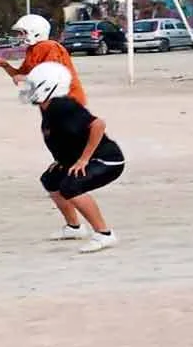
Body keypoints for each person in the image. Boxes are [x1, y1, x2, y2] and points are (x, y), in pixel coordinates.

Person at [0, 14, 99, 239]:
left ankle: (99, 230)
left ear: (36, 31)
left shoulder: (50, 47)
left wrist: (25, 79)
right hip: (50, 108)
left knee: (64, 177)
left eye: (23, 32)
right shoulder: (33, 51)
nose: (21, 37)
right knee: (52, 177)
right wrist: (6, 67)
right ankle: (74, 227)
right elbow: (21, 76)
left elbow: (50, 75)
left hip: (66, 103)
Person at [24, 62, 124, 254]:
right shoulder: (46, 106)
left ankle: (105, 234)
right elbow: (61, 137)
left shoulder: (63, 106)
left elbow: (98, 125)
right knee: (51, 180)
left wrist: (83, 160)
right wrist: (62, 159)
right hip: (80, 158)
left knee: (71, 186)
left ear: (48, 87)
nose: (28, 89)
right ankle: (74, 228)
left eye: (33, 85)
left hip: (107, 160)